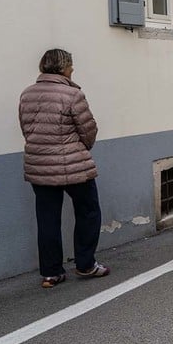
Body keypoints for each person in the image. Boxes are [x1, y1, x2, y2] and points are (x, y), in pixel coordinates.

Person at [18, 49, 110, 289]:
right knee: (88, 211)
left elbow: (26, 128)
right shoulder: (72, 94)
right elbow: (88, 129)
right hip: (73, 166)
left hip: (39, 165)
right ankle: (85, 264)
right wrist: (81, 149)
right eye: (71, 66)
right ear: (64, 68)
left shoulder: (27, 94)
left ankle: (51, 273)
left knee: (47, 218)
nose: (72, 70)